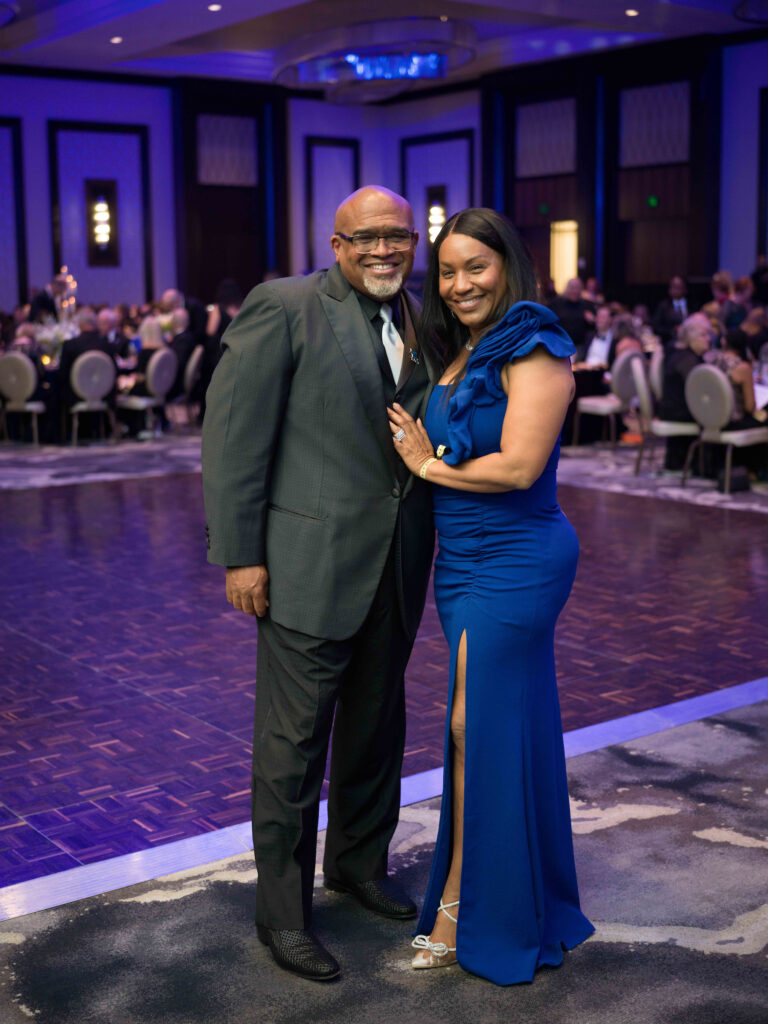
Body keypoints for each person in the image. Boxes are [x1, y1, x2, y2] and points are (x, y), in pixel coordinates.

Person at [201, 186, 438, 982]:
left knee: (376, 729)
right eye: (366, 238)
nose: (383, 249)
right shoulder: (284, 306)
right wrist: (241, 555)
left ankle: (359, 866)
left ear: (414, 243)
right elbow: (234, 435)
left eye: (397, 236)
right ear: (337, 245)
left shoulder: (422, 316)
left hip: (397, 563)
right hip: (307, 566)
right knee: (293, 750)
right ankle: (283, 916)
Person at [387, 208, 594, 986]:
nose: (460, 283)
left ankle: (462, 910)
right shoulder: (463, 348)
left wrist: (427, 466)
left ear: (508, 266)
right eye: (447, 271)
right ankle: (521, 901)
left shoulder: (535, 345)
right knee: (499, 725)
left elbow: (517, 466)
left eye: (476, 266)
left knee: (473, 727)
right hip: (463, 561)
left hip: (519, 556)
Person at [657, 313, 712, 470]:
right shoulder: (687, 360)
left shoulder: (685, 355)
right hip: (678, 411)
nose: (708, 339)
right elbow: (700, 391)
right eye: (703, 335)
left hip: (674, 408)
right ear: (691, 337)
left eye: (708, 334)